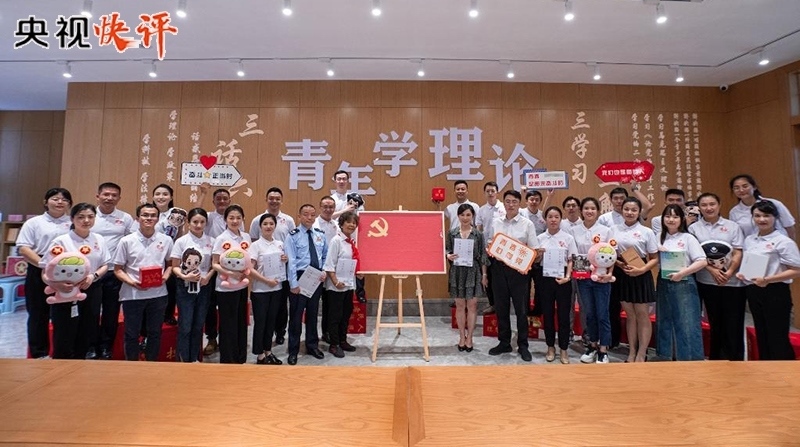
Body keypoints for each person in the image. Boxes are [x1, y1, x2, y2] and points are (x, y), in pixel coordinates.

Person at [40, 203, 110, 359]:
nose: (86, 220)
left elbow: (105, 264)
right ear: (72, 219)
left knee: (87, 329)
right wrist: (56, 285)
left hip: (91, 288)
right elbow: (45, 270)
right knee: (64, 332)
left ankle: (80, 362)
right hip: (66, 292)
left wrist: (93, 276)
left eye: (90, 217)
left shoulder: (98, 239)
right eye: (81, 217)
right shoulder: (61, 241)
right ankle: (61, 364)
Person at [736, 200, 800, 360]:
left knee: (777, 336)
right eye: (757, 216)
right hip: (754, 290)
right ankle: (766, 369)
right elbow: (749, 263)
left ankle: (785, 371)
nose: (761, 219)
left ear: (775, 217)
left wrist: (768, 279)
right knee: (762, 334)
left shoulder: (783, 241)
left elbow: (796, 270)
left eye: (766, 216)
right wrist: (743, 274)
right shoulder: (750, 239)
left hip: (775, 291)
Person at [689, 192, 746, 360]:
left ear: (719, 205)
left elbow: (738, 251)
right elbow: (694, 254)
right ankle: (716, 359)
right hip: (706, 281)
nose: (708, 208)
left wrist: (729, 272)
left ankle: (735, 359)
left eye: (712, 204)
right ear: (699, 208)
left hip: (732, 282)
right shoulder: (693, 228)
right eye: (704, 205)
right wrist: (712, 270)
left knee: (734, 322)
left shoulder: (733, 226)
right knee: (715, 322)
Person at [16, 187, 73, 359]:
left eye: (64, 199)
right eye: (55, 198)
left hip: (67, 269)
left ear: (69, 204)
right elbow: (24, 248)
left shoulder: (73, 222)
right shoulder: (33, 223)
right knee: (38, 313)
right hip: (38, 267)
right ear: (45, 202)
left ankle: (62, 353)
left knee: (64, 313)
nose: (60, 202)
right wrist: (45, 265)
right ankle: (39, 353)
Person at [113, 203, 174, 361]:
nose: (149, 218)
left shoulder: (166, 240)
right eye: (145, 215)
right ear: (137, 218)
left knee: (155, 333)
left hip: (158, 294)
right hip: (132, 295)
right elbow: (118, 269)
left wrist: (165, 277)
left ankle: (151, 364)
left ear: (158, 219)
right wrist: (132, 282)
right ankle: (132, 365)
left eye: (153, 215)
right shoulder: (126, 241)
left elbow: (170, 265)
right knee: (131, 334)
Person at [487, 190, 539, 362]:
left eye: (514, 202)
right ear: (504, 203)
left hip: (519, 272)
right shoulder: (496, 222)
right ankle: (504, 342)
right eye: (508, 201)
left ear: (519, 204)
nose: (511, 205)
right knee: (501, 307)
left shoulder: (527, 224)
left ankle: (523, 345)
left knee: (521, 309)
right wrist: (490, 249)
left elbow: (534, 249)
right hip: (498, 269)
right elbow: (491, 243)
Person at [655, 205, 707, 361]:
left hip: (684, 282)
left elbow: (702, 261)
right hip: (663, 281)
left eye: (675, 216)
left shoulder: (688, 238)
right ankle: (666, 356)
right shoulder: (658, 236)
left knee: (687, 321)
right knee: (664, 319)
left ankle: (690, 359)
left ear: (682, 219)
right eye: (667, 216)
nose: (671, 220)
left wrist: (682, 273)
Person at [611, 197, 659, 363]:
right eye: (626, 209)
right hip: (622, 272)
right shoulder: (613, 230)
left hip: (641, 274)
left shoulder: (646, 231)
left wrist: (642, 270)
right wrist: (618, 263)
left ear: (639, 212)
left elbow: (654, 258)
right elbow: (610, 252)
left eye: (634, 210)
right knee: (630, 315)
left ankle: (642, 353)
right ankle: (631, 352)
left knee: (642, 314)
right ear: (622, 211)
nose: (630, 212)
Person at [90, 182, 134, 360]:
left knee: (111, 312)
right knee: (91, 312)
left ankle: (106, 347)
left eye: (114, 195)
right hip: (91, 273)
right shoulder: (89, 215)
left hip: (113, 273)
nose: (109, 198)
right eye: (106, 194)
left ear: (119, 198)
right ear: (98, 196)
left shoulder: (125, 218)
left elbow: (131, 242)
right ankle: (91, 347)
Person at [249, 187, 296, 346]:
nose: (274, 201)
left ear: (281, 200)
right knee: (263, 314)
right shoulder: (256, 220)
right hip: (262, 276)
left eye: (277, 198)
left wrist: (286, 257)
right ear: (266, 199)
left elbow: (291, 244)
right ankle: (262, 347)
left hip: (281, 272)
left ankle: (280, 332)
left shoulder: (288, 220)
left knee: (281, 305)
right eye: (271, 198)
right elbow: (254, 242)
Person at [571, 197, 614, 364]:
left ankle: (603, 350)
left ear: (598, 211)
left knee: (602, 314)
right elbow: (572, 255)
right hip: (583, 278)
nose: (589, 211)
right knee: (589, 313)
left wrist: (610, 274)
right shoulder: (574, 230)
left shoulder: (606, 231)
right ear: (581, 210)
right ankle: (592, 345)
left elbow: (612, 255)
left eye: (593, 208)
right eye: (586, 208)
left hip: (602, 278)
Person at [284, 204, 328, 365]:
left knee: (313, 313)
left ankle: (312, 345)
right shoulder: (293, 236)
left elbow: (325, 255)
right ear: (299, 216)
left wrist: (324, 270)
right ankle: (293, 349)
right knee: (296, 315)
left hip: (316, 277)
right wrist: (293, 284)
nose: (309, 217)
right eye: (306, 214)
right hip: (299, 277)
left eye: (312, 215)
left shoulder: (320, 235)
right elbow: (291, 261)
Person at [169, 208, 215, 362]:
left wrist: (208, 277)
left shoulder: (211, 241)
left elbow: (214, 264)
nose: (198, 225)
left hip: (204, 287)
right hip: (185, 287)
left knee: (198, 325)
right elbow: (174, 266)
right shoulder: (181, 241)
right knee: (185, 325)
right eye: (195, 222)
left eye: (202, 222)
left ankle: (195, 359)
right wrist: (184, 276)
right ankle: (183, 360)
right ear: (188, 223)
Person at [537, 206, 578, 364]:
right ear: (546, 219)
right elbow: (535, 261)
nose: (553, 220)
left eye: (556, 217)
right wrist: (538, 255)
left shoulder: (568, 238)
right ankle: (550, 347)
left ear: (561, 219)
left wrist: (568, 277)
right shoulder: (540, 238)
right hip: (545, 279)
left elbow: (571, 259)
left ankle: (563, 348)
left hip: (563, 279)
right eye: (550, 217)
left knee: (563, 315)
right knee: (547, 314)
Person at [446, 204, 488, 353]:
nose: (465, 218)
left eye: (468, 215)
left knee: (472, 305)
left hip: (473, 272)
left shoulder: (478, 234)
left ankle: (469, 337)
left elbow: (483, 256)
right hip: (457, 272)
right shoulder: (452, 233)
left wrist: (484, 275)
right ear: (458, 216)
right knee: (459, 305)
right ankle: (461, 337)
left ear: (473, 216)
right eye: (462, 215)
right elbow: (446, 250)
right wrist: (448, 255)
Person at [211, 205, 251, 364]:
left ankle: (240, 357)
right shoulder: (221, 238)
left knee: (241, 322)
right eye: (231, 218)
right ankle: (228, 359)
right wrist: (231, 273)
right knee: (228, 324)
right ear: (225, 220)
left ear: (243, 219)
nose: (235, 221)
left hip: (242, 286)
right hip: (225, 287)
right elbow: (214, 263)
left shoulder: (246, 237)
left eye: (238, 218)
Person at [248, 213, 287, 365]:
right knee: (261, 323)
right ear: (260, 227)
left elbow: (282, 264)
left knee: (271, 322)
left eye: (271, 224)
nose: (268, 226)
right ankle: (260, 355)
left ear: (275, 226)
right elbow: (250, 269)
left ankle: (268, 351)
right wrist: (266, 281)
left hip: (276, 289)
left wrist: (285, 259)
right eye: (265, 224)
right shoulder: (256, 245)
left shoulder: (280, 244)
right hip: (260, 291)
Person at [323, 211, 362, 358]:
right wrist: (335, 281)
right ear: (341, 224)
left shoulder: (352, 242)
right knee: (335, 315)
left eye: (354, 223)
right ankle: (334, 344)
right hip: (336, 286)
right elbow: (329, 264)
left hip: (348, 284)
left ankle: (343, 340)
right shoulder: (336, 241)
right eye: (348, 222)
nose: (351, 225)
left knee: (346, 313)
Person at [199, 187, 230, 356]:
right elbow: (195, 212)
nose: (222, 201)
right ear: (213, 201)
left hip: (231, 268)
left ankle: (226, 339)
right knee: (210, 306)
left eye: (225, 198)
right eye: (219, 198)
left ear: (230, 201)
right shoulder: (209, 217)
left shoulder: (234, 217)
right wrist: (203, 193)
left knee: (226, 305)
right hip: (211, 267)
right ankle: (212, 338)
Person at [728, 174, 796, 240]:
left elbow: (789, 226)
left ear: (754, 187)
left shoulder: (774, 203)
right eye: (736, 188)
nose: (741, 190)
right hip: (752, 245)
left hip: (778, 243)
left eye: (745, 186)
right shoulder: (734, 212)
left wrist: (790, 244)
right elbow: (737, 235)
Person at [151, 184, 181, 327]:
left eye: (165, 194)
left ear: (171, 197)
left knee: (170, 285)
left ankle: (168, 314)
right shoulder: (148, 212)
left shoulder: (176, 214)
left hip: (170, 255)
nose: (161, 197)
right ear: (153, 197)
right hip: (152, 255)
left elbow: (180, 235)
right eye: (157, 194)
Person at [476, 181, 505, 316]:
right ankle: (492, 303)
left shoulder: (504, 208)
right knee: (488, 277)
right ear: (485, 193)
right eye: (488, 191)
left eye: (493, 191)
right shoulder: (481, 210)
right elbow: (479, 229)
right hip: (486, 249)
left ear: (497, 192)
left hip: (502, 249)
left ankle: (501, 304)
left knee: (500, 278)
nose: (490, 193)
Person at [315, 196, 339, 344]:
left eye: (331, 207)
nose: (328, 209)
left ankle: (327, 332)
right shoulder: (314, 224)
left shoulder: (337, 225)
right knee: (312, 305)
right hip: (316, 270)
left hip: (332, 270)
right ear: (320, 207)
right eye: (325, 206)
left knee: (329, 304)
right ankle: (312, 337)